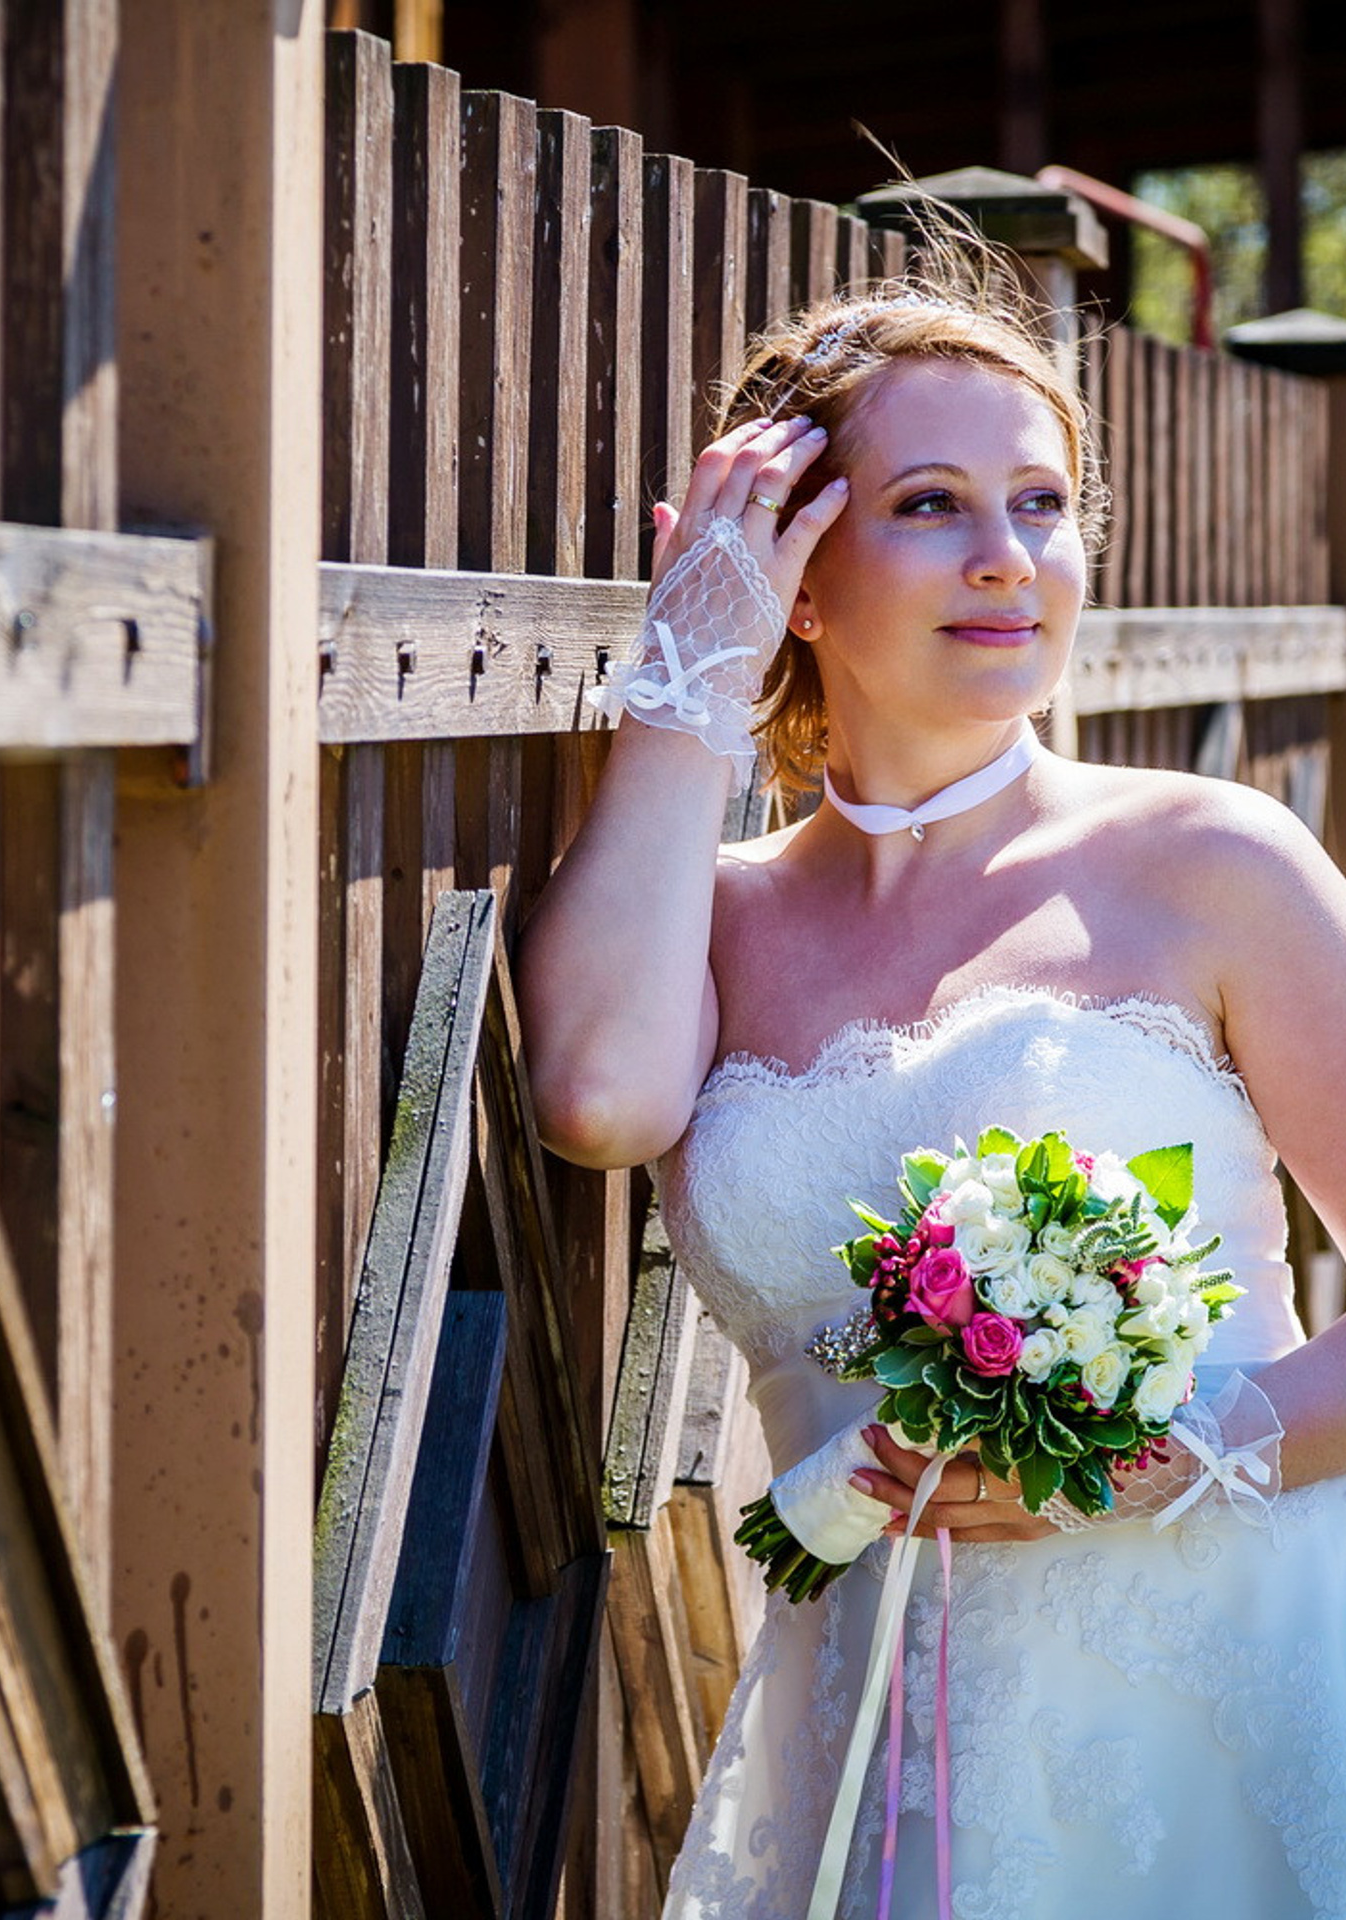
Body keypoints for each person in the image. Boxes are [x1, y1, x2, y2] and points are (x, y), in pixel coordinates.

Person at [517, 261, 1346, 1918]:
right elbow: (597, 1102)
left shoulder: (1208, 863)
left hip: (1225, 1701)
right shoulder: (720, 917)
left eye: (1042, 504)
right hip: (877, 1735)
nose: (1006, 558)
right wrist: (689, 678)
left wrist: (1184, 1443)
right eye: (930, 504)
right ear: (800, 577)